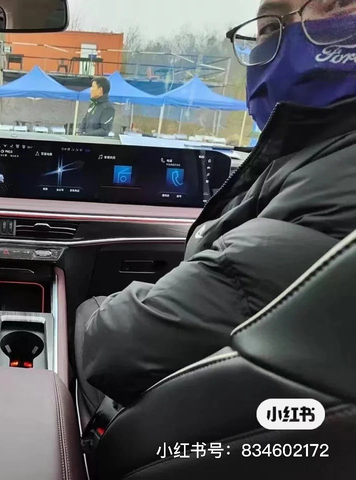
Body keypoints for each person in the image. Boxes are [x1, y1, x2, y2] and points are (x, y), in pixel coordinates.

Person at [75, 0, 356, 428]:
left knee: (87, 315)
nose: (286, 35)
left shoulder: (331, 184)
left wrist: (114, 305)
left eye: (337, 3)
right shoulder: (309, 161)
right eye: (267, 27)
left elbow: (117, 347)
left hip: (202, 439)